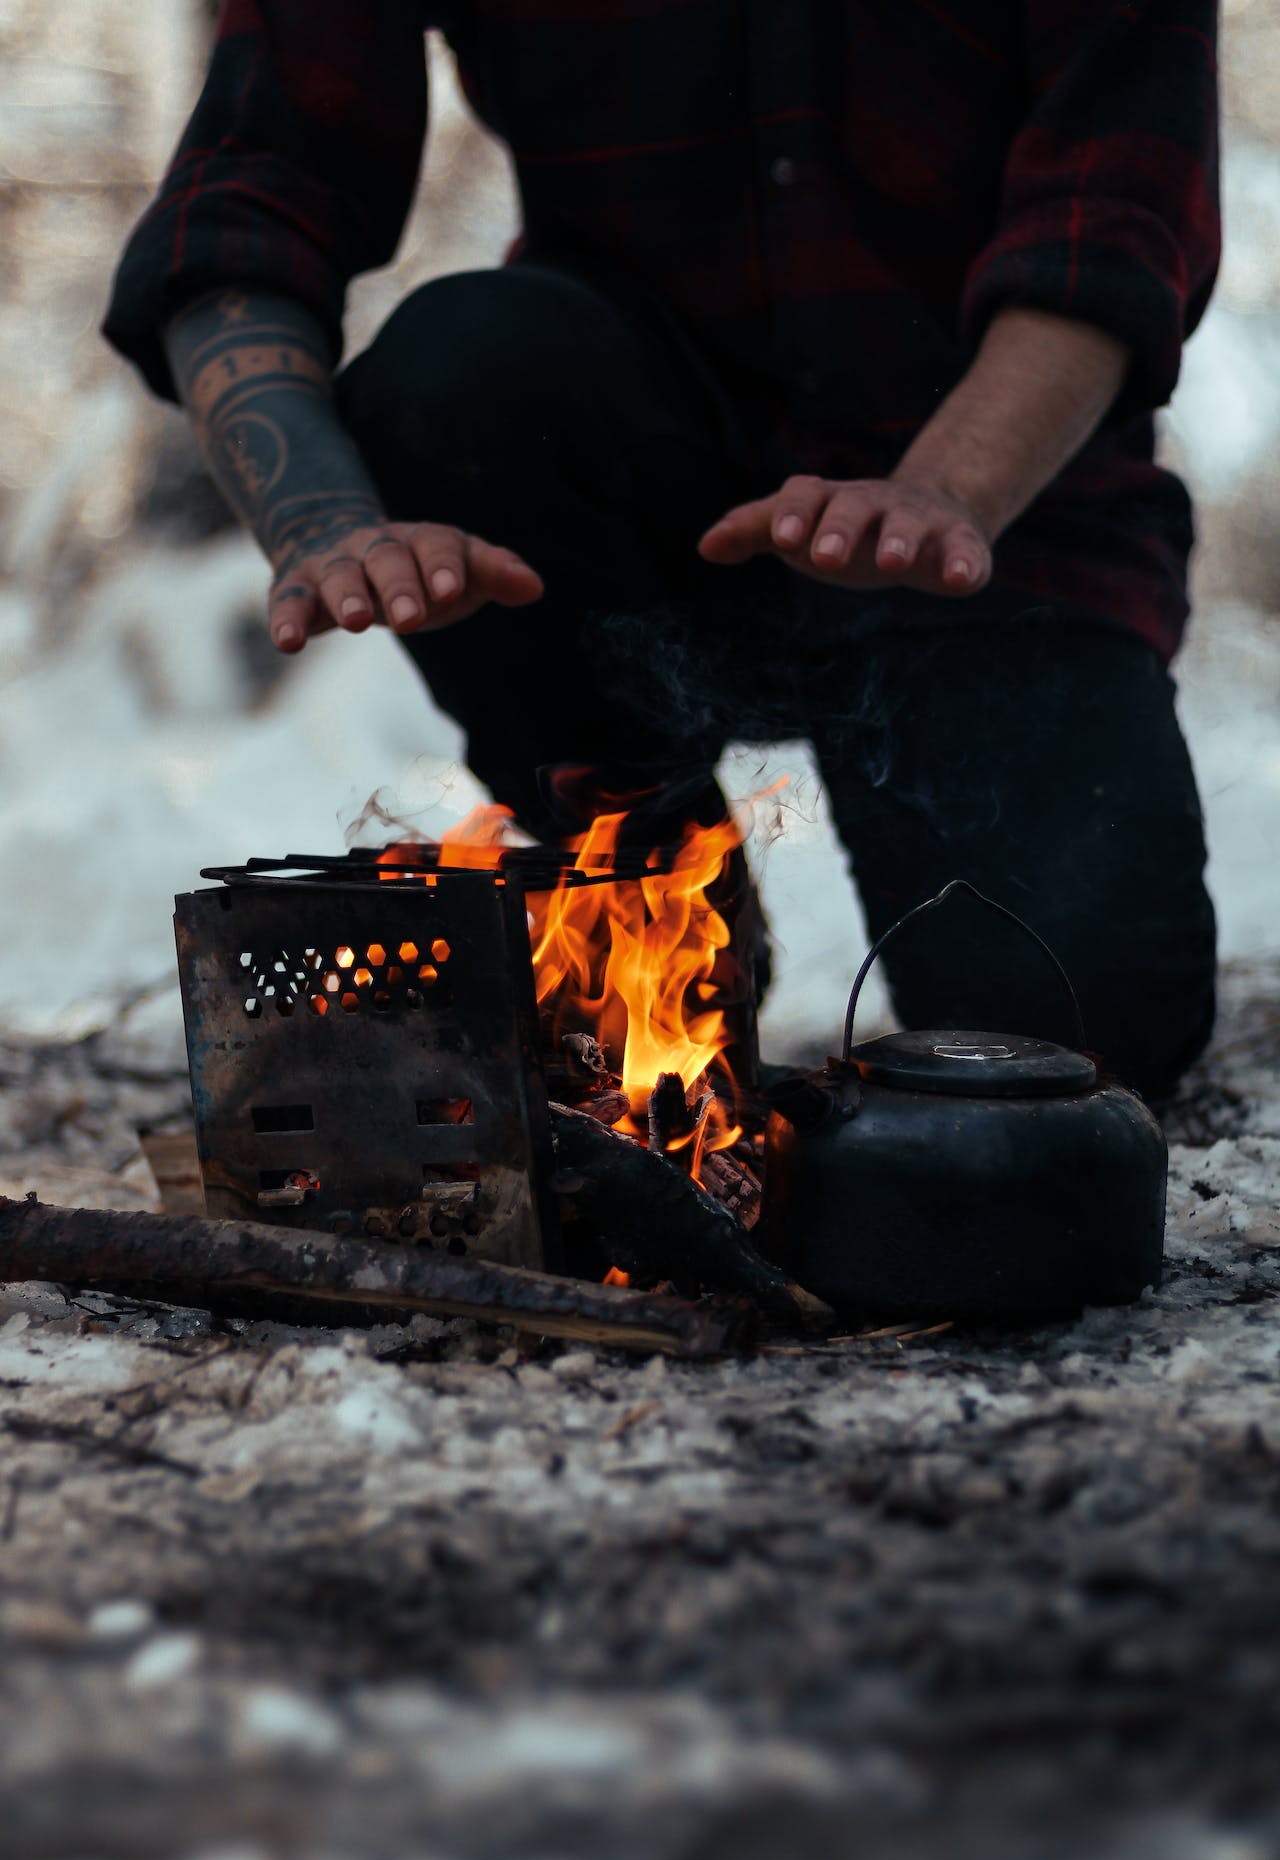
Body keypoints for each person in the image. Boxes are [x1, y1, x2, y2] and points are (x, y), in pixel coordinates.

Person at [103, 0, 1221, 1096]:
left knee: (1081, 1030)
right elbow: (255, 184)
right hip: (636, 509)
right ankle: (655, 908)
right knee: (456, 370)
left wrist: (946, 490)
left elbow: (1113, 214)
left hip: (994, 520)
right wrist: (321, 521)